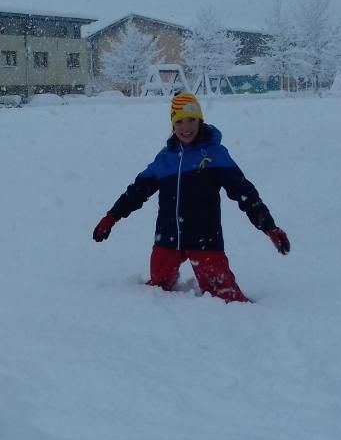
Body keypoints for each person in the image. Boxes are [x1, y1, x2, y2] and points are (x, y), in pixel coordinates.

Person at [92, 92, 290, 303]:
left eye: (191, 120)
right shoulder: (166, 157)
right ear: (173, 124)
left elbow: (245, 193)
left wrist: (269, 227)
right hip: (167, 239)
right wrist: (111, 218)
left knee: (226, 298)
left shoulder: (215, 155)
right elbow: (137, 191)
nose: (186, 127)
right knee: (157, 290)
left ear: (200, 120)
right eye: (179, 122)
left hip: (205, 239)